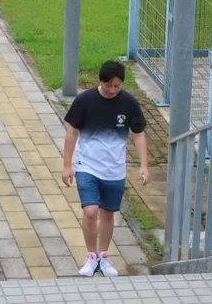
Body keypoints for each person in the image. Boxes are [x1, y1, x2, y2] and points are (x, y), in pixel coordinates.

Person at [62, 60, 150, 278]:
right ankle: (91, 256)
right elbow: (72, 132)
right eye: (108, 85)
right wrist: (67, 165)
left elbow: (139, 133)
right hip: (88, 165)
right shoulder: (84, 100)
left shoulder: (129, 103)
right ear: (99, 80)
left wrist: (144, 165)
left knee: (108, 213)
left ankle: (104, 255)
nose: (112, 90)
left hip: (115, 169)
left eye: (117, 86)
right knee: (90, 211)